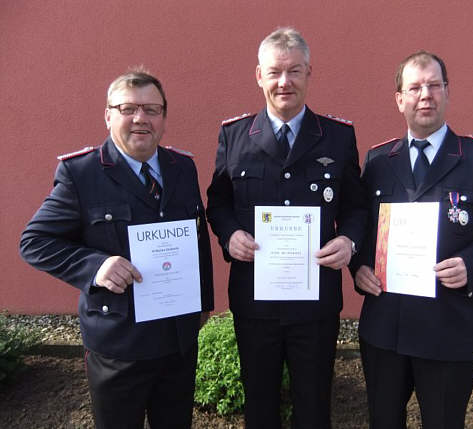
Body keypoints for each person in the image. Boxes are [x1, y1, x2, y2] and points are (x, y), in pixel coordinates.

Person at [20, 68, 214, 429]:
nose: (141, 118)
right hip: (119, 345)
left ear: (163, 118)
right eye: (128, 108)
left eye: (151, 109)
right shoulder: (82, 173)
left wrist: (203, 302)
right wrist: (96, 266)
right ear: (108, 116)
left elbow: (197, 237)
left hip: (177, 340)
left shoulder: (182, 167)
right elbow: (35, 241)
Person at [351, 51, 473, 429]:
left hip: (447, 328)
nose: (425, 95)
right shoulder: (378, 161)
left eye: (434, 85)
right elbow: (360, 226)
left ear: (447, 92)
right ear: (400, 99)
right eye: (414, 88)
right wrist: (359, 265)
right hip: (385, 329)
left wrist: (472, 264)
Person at [206, 27, 367, 428]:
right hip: (255, 301)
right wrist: (230, 234)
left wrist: (349, 241)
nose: (284, 82)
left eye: (294, 71)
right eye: (275, 72)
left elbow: (356, 205)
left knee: (314, 406)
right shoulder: (235, 136)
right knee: (259, 405)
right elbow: (218, 201)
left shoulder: (337, 137)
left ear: (309, 73)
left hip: (316, 301)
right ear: (259, 76)